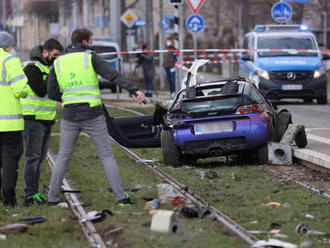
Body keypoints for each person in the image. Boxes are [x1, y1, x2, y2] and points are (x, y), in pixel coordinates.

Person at [47, 28, 149, 206]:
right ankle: (121, 197)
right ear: (85, 42)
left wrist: (66, 99)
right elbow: (113, 75)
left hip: (70, 115)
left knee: (63, 156)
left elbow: (51, 91)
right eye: (91, 41)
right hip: (92, 114)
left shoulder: (58, 62)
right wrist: (135, 91)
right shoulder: (90, 57)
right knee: (106, 155)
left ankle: (52, 198)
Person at [21, 38, 63, 206]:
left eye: (59, 56)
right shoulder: (31, 67)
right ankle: (30, 195)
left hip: (46, 120)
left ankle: (35, 192)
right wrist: (53, 74)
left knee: (40, 157)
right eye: (55, 55)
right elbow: (40, 91)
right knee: (32, 157)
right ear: (45, 52)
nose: (56, 59)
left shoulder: (48, 67)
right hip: (32, 119)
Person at [0, 32, 29, 207]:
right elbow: (20, 89)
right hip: (9, 123)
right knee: (10, 160)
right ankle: (9, 198)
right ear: (9, 46)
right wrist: (25, 89)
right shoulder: (10, 60)